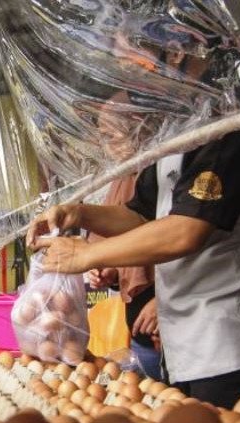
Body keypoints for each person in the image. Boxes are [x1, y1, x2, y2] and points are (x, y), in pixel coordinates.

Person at [28, 123, 240, 409]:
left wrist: (89, 254)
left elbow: (187, 230)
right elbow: (140, 215)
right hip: (186, 343)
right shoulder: (178, 129)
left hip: (236, 339)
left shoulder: (236, 121)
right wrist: (79, 213)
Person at [87, 92, 162, 379]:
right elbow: (127, 241)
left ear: (139, 125)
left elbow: (179, 240)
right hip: (142, 328)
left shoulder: (156, 171)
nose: (107, 145)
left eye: (112, 134)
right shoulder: (122, 180)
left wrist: (163, 302)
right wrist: (109, 268)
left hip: (174, 320)